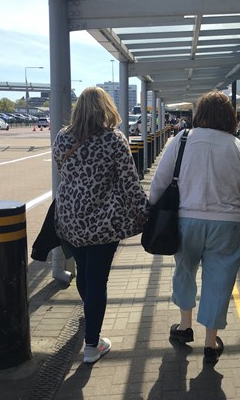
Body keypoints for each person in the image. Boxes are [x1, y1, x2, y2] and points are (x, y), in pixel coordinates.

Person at [149, 91, 240, 364]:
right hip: (226, 225)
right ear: (230, 118)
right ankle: (210, 343)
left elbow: (160, 180)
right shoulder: (236, 146)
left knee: (184, 270)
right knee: (219, 281)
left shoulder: (181, 140)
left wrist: (149, 210)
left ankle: (184, 327)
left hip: (185, 222)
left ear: (199, 114)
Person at [52, 86, 148, 364]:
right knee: (97, 282)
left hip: (68, 219)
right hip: (102, 223)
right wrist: (146, 213)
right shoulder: (114, 140)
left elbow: (63, 173)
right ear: (106, 108)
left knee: (84, 273)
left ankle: (90, 319)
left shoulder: (61, 138)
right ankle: (92, 345)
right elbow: (130, 184)